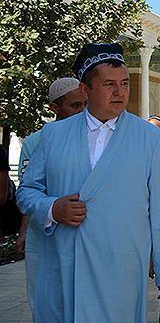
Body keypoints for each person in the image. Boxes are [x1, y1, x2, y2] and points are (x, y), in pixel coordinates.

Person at [17, 43, 160, 323]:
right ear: (85, 90)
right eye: (109, 84)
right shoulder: (53, 134)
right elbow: (27, 191)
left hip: (120, 266)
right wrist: (51, 209)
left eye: (124, 83)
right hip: (63, 262)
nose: (120, 92)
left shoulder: (150, 138)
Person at [16, 77, 88, 315]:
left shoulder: (97, 136)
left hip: (85, 242)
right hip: (43, 243)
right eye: (75, 106)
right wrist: (29, 226)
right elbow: (28, 191)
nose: (82, 111)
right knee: (47, 308)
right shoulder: (38, 141)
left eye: (84, 105)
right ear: (54, 109)